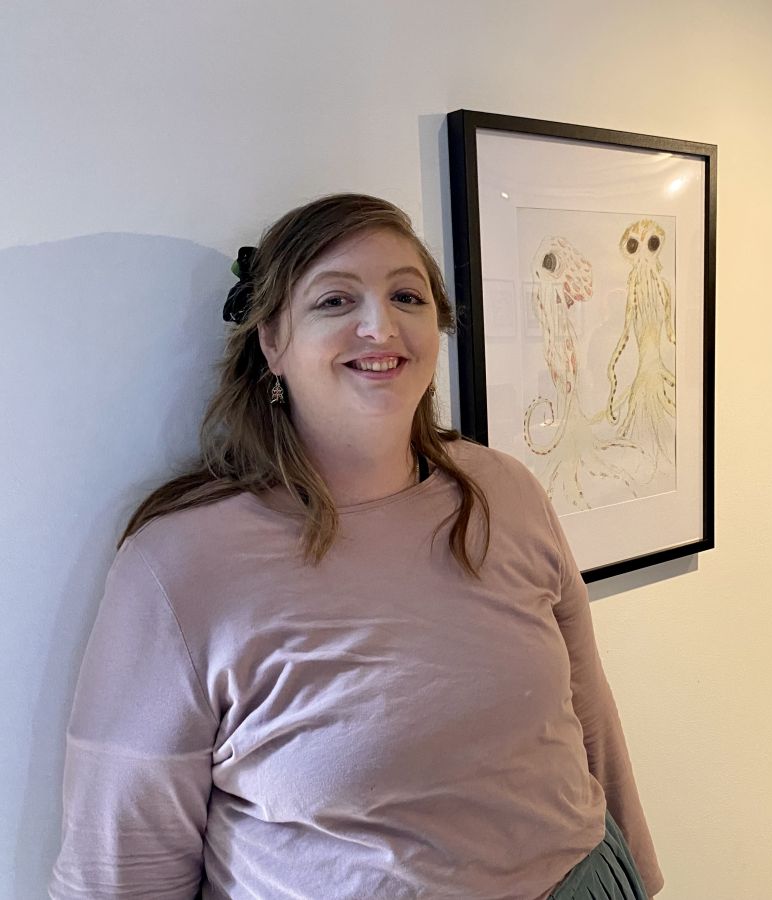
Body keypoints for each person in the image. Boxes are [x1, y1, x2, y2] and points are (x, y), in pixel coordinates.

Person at [49, 194, 663, 899]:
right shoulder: (179, 564)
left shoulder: (505, 491)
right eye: (335, 301)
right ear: (271, 342)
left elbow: (588, 715)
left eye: (407, 294)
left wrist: (639, 877)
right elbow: (122, 864)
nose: (380, 325)